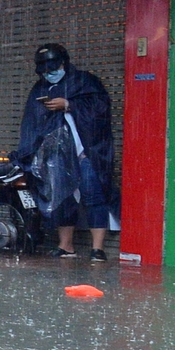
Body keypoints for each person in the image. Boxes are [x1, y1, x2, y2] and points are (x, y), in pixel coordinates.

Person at [14, 42, 114, 260]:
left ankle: (98, 249)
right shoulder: (39, 88)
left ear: (63, 63)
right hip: (56, 156)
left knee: (94, 197)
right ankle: (66, 246)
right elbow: (32, 122)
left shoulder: (84, 81)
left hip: (86, 152)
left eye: (53, 68)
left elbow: (100, 109)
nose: (50, 74)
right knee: (62, 199)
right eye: (45, 71)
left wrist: (69, 104)